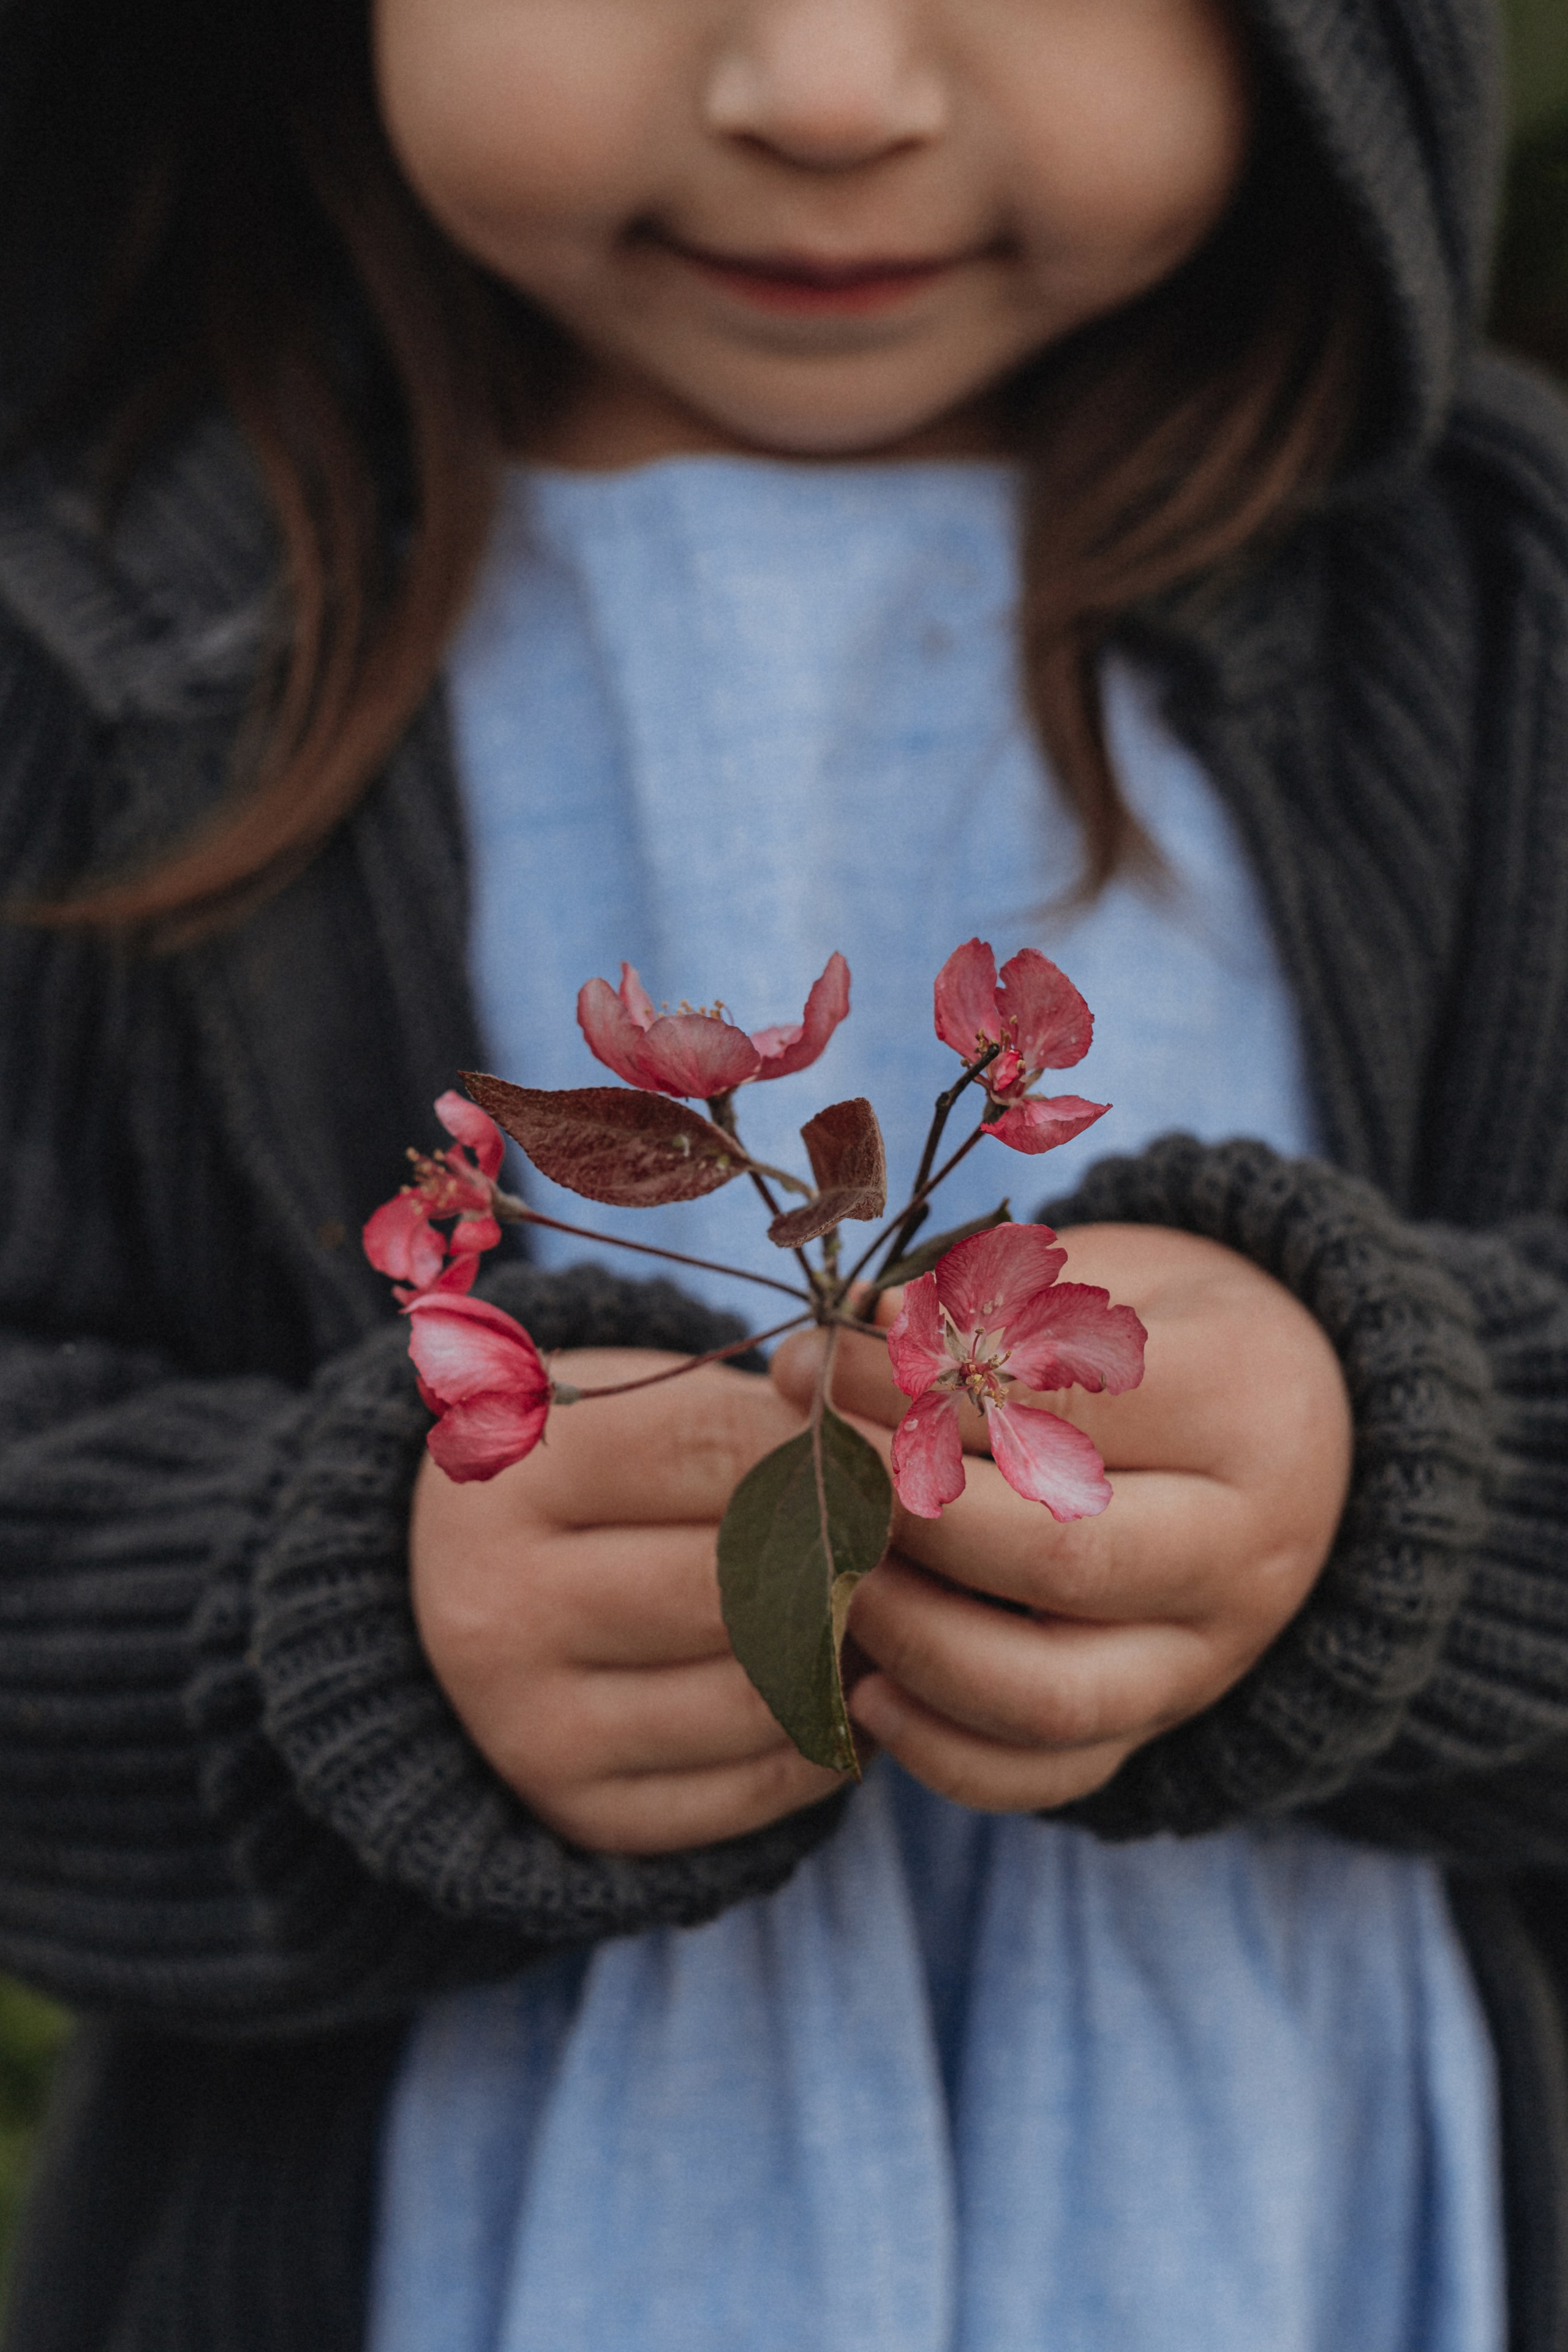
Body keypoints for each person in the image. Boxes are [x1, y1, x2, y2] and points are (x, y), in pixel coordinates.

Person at [1, 0, 1566, 2346]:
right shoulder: (108, 652)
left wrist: (1395, 1489)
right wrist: (335, 1639)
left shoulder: (1497, 618)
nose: (826, 90)